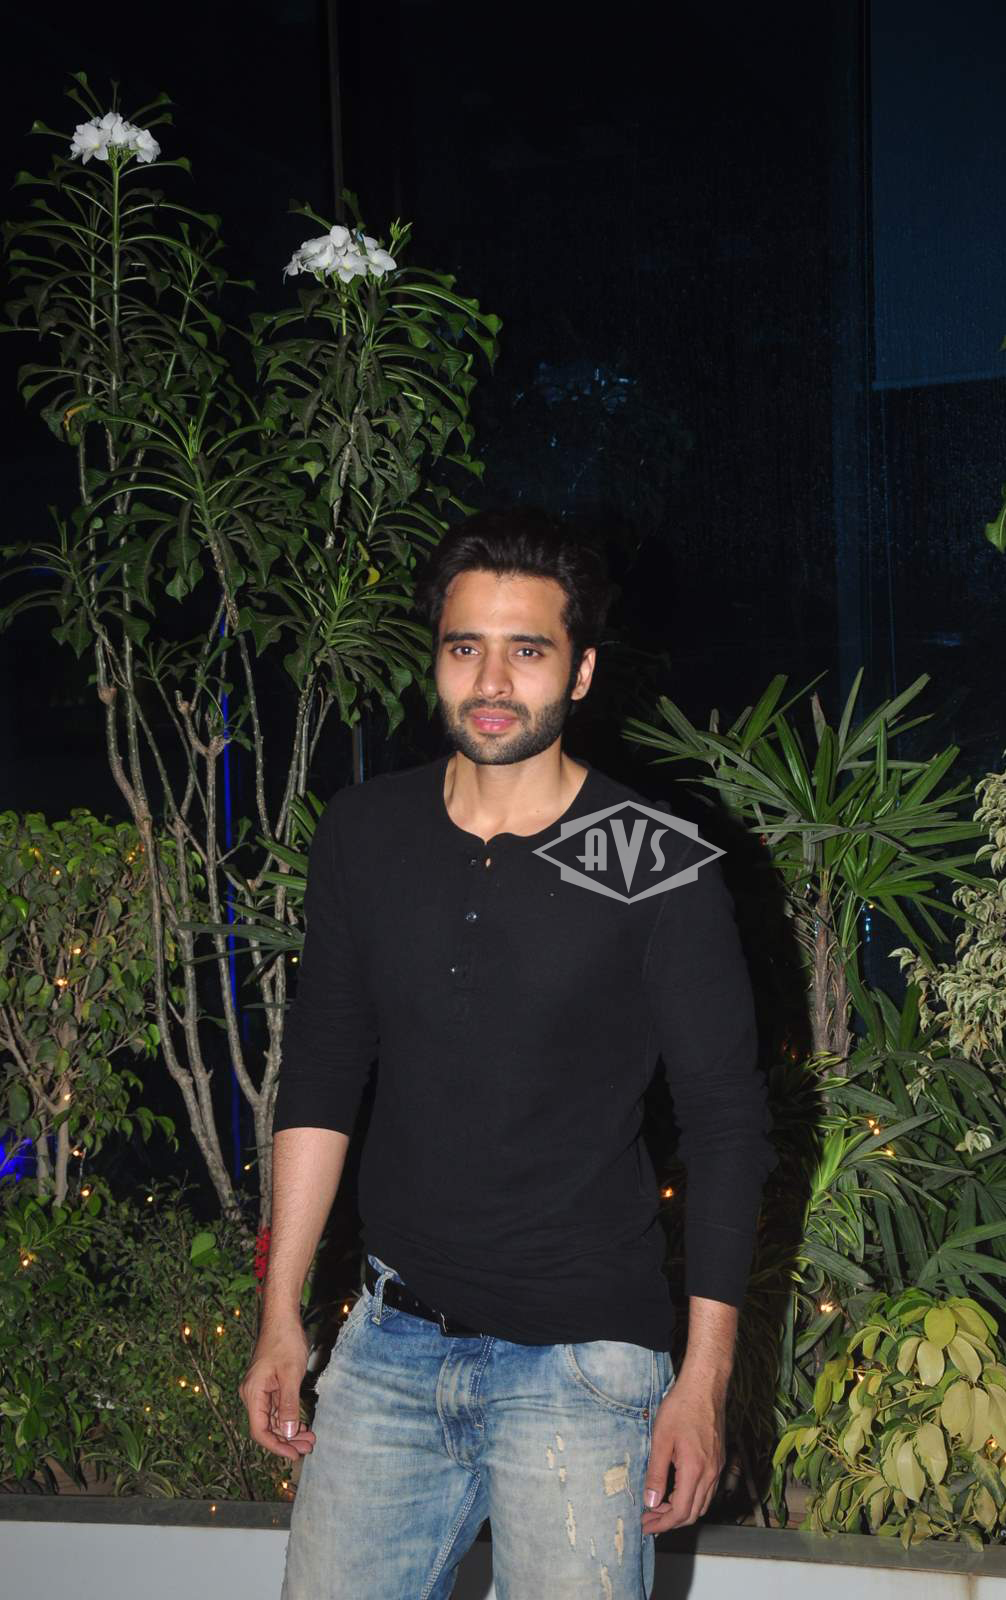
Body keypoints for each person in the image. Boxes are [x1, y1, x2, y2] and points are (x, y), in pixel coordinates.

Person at [239, 507, 777, 1599]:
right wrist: (280, 1310)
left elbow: (725, 1122)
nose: (490, 680)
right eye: (464, 647)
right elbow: (323, 1072)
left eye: (527, 651)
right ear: (435, 658)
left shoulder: (642, 853)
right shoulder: (368, 833)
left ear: (579, 672)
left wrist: (703, 1381)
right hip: (390, 1348)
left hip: (582, 1366)